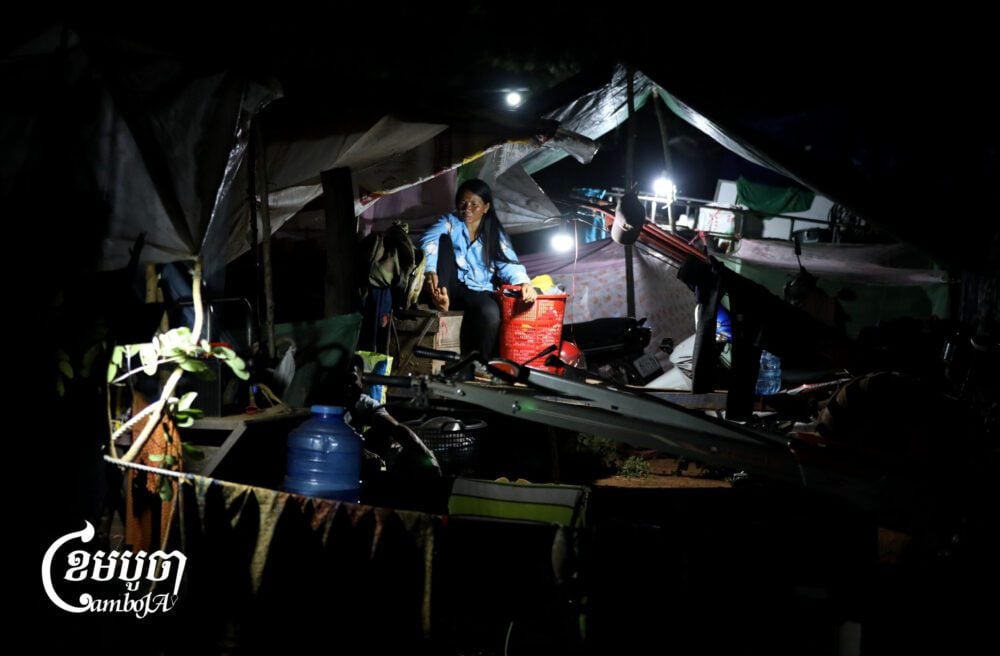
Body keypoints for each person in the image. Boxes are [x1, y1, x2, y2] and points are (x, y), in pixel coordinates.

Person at [420, 178, 536, 358]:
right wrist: (430, 271)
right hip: (453, 287)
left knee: (489, 312)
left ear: (486, 207)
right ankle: (441, 299)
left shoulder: (494, 232)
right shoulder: (450, 221)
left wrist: (523, 283)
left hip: (480, 289)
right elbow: (429, 240)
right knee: (441, 240)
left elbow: (508, 262)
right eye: (463, 203)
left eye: (474, 204)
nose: (467, 209)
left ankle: (482, 363)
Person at [343, 355, 442, 479]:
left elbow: (397, 429)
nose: (346, 384)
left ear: (362, 382)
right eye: (340, 378)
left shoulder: (364, 403)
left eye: (352, 378)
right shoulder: (320, 405)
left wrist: (430, 461)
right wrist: (360, 453)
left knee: (386, 435)